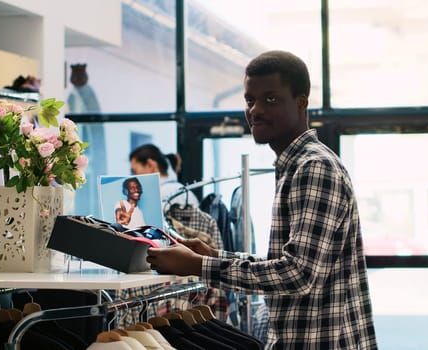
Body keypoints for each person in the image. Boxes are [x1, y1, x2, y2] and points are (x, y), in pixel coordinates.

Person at [146, 50, 378, 349]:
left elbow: (298, 275)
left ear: (301, 102)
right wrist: (213, 255)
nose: (255, 110)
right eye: (249, 100)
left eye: (270, 99)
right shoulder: (296, 166)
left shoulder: (313, 167)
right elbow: (285, 263)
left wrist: (199, 266)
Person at [129, 144, 199, 208]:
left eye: (135, 171)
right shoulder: (183, 191)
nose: (134, 177)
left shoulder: (158, 195)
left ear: (150, 165)